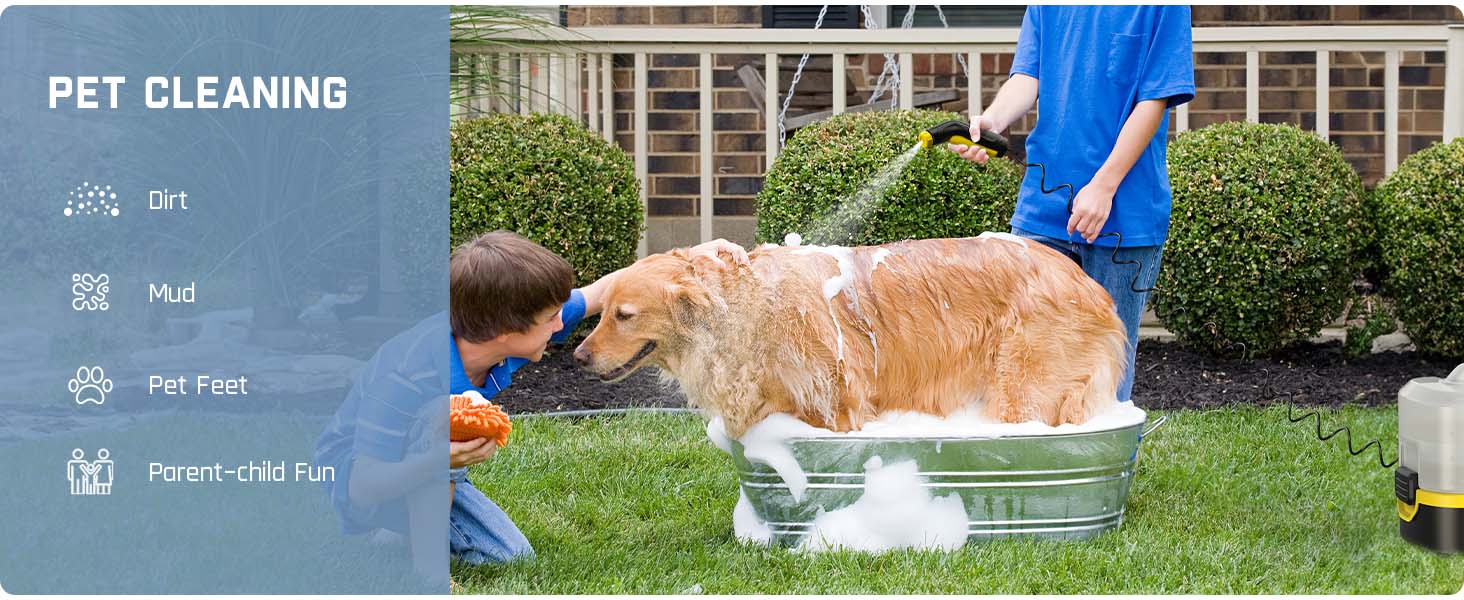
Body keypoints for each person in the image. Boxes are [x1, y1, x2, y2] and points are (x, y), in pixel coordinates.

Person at [313, 230, 746, 571]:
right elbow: (361, 485)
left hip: (420, 465)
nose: (563, 323)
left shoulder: (503, 333)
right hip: (358, 478)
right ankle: (425, 568)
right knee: (437, 424)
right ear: (505, 331)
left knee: (508, 556)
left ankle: (404, 523)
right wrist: (439, 460)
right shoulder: (412, 372)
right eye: (550, 319)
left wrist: (692, 257)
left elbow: (600, 291)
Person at [948, 6, 1195, 403]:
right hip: (1042, 211)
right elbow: (1028, 75)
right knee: (1023, 362)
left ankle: (1107, 465)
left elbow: (1154, 101)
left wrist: (1104, 186)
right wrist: (993, 120)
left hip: (1123, 217)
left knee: (1104, 377)